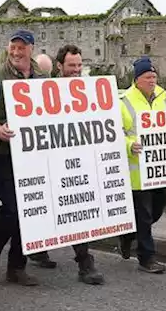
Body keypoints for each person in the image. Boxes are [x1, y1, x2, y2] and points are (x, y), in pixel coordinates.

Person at [25, 45, 106, 284]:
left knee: (78, 210)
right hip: (51, 161)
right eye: (72, 66)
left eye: (79, 65)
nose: (76, 70)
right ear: (60, 66)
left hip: (78, 161)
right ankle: (37, 249)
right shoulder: (44, 91)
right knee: (49, 207)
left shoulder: (89, 90)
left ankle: (84, 262)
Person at [0, 30, 46, 286]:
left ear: (31, 48)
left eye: (22, 47)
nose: (16, 53)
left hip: (31, 153)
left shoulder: (42, 76)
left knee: (31, 209)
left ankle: (17, 266)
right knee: (14, 208)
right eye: (13, 47)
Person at [118, 57, 166, 274]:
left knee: (162, 203)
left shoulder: (162, 96)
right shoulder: (124, 102)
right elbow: (115, 134)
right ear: (137, 79)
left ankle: (127, 235)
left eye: (154, 77)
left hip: (159, 167)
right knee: (144, 215)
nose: (152, 81)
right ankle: (146, 258)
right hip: (136, 170)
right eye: (148, 77)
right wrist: (130, 145)